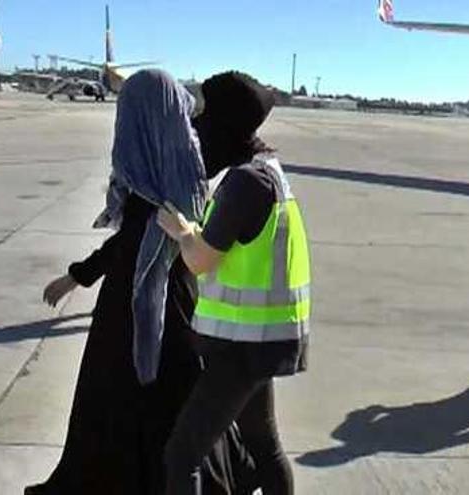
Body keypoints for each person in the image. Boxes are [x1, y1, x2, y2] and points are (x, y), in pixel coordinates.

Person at [26, 69, 255, 495]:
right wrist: (79, 275)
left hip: (144, 316)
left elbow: (131, 242)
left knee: (143, 411)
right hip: (163, 306)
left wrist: (78, 276)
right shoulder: (175, 173)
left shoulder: (157, 180)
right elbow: (130, 241)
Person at [157, 72, 311, 495]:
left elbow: (201, 260)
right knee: (264, 445)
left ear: (224, 122)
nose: (197, 128)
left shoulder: (245, 182)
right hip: (263, 340)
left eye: (204, 116)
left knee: (182, 455)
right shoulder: (268, 173)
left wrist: (182, 230)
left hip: (244, 347)